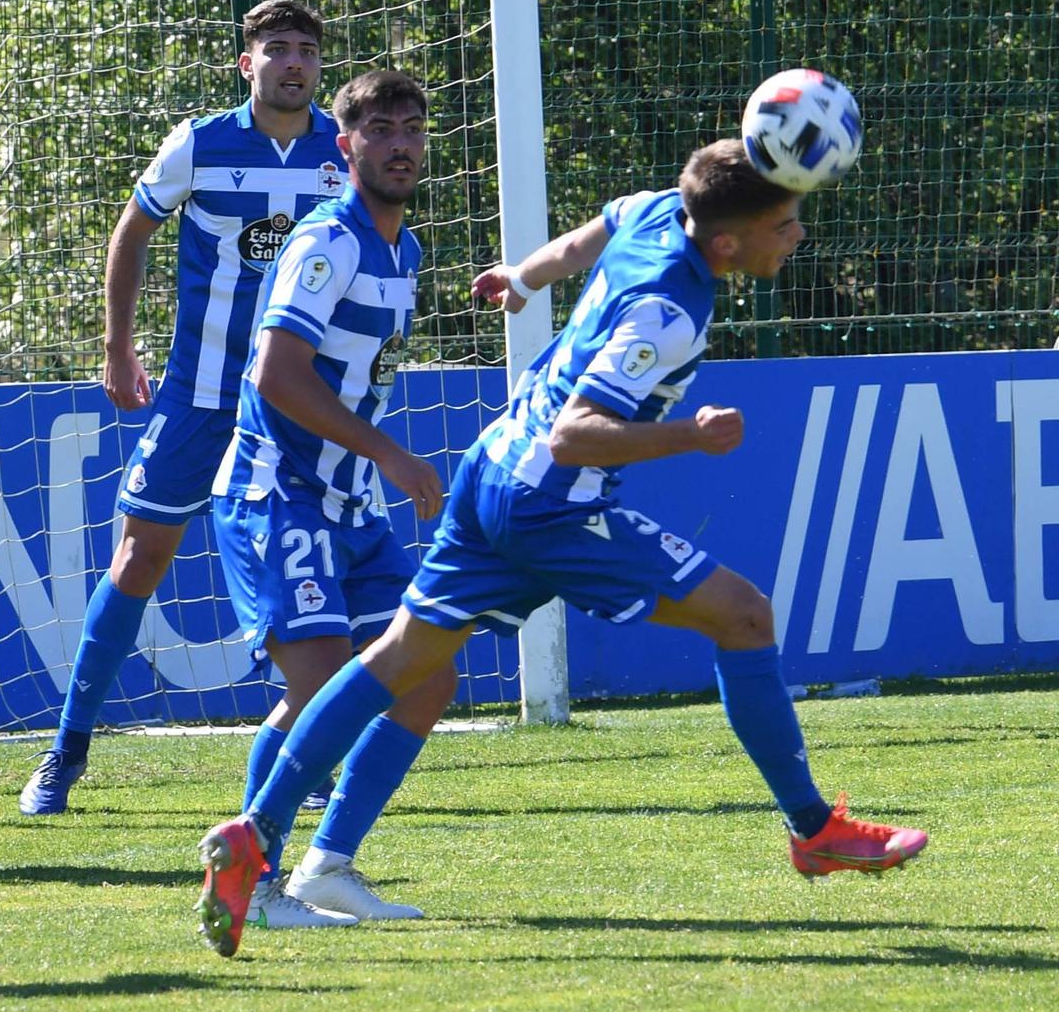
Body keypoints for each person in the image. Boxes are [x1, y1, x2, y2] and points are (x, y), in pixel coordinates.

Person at [196, 139, 930, 957]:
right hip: (550, 505)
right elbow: (579, 435)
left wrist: (525, 276)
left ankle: (258, 835)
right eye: (785, 221)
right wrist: (690, 434)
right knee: (745, 617)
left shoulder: (659, 208)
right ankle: (813, 830)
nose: (796, 235)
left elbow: (594, 231)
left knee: (401, 664)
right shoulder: (670, 310)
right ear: (727, 243)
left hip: (489, 474)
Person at [17, 0, 355, 817]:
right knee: (138, 562)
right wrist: (117, 346)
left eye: (306, 50)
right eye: (277, 49)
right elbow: (131, 231)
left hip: (294, 407)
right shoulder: (200, 141)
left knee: (306, 571)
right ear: (248, 64)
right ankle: (65, 754)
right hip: (199, 395)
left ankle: (310, 757)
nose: (293, 63)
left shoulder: (343, 153)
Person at [207, 68, 454, 932]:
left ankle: (328, 865)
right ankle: (255, 884)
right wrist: (388, 452)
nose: (399, 143)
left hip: (349, 510)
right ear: (343, 145)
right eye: (379, 129)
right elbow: (276, 374)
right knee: (317, 692)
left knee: (426, 679)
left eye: (412, 128)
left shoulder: (406, 248)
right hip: (277, 496)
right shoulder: (328, 241)